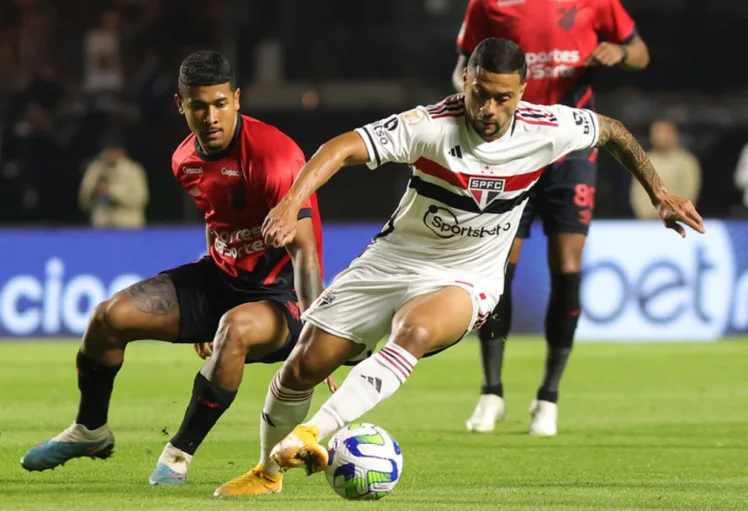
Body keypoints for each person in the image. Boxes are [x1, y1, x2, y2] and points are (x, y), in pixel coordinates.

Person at [213, 38, 703, 496]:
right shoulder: (429, 125)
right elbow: (339, 148)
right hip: (391, 262)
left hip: (468, 277)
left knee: (416, 330)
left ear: (522, 91)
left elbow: (613, 131)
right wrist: (290, 202)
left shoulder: (548, 127)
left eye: (503, 98)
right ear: (465, 79)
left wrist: (659, 193)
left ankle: (312, 432)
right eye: (481, 93)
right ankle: (267, 474)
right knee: (302, 366)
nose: (489, 109)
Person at [20, 50, 331, 486]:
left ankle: (177, 456)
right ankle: (90, 430)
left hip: (282, 296)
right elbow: (216, 220)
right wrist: (208, 301)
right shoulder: (184, 159)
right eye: (198, 106)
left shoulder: (273, 157)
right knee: (107, 318)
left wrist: (318, 334)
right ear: (180, 105)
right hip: (222, 278)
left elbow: (306, 251)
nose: (211, 117)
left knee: (235, 328)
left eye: (220, 103)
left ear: (237, 99)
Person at [452, 0, 651, 436]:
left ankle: (548, 397)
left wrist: (620, 52)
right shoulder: (488, 4)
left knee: (567, 267)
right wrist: (476, 105)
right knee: (498, 269)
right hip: (512, 150)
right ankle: (491, 391)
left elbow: (641, 53)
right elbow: (464, 67)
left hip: (571, 148)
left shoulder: (598, 3)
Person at [630, 120, 701, 219]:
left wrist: (675, 213)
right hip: (647, 221)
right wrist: (643, 213)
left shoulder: (686, 161)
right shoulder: (645, 159)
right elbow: (637, 192)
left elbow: (690, 192)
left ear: (674, 134)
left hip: (677, 219)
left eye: (663, 132)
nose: (659, 136)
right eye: (656, 133)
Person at [78, 137, 149, 229]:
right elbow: (84, 200)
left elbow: (140, 200)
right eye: (107, 151)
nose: (110, 155)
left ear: (121, 152)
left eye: (113, 151)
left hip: (128, 225)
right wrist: (94, 189)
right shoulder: (95, 169)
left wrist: (111, 192)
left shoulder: (134, 170)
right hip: (102, 225)